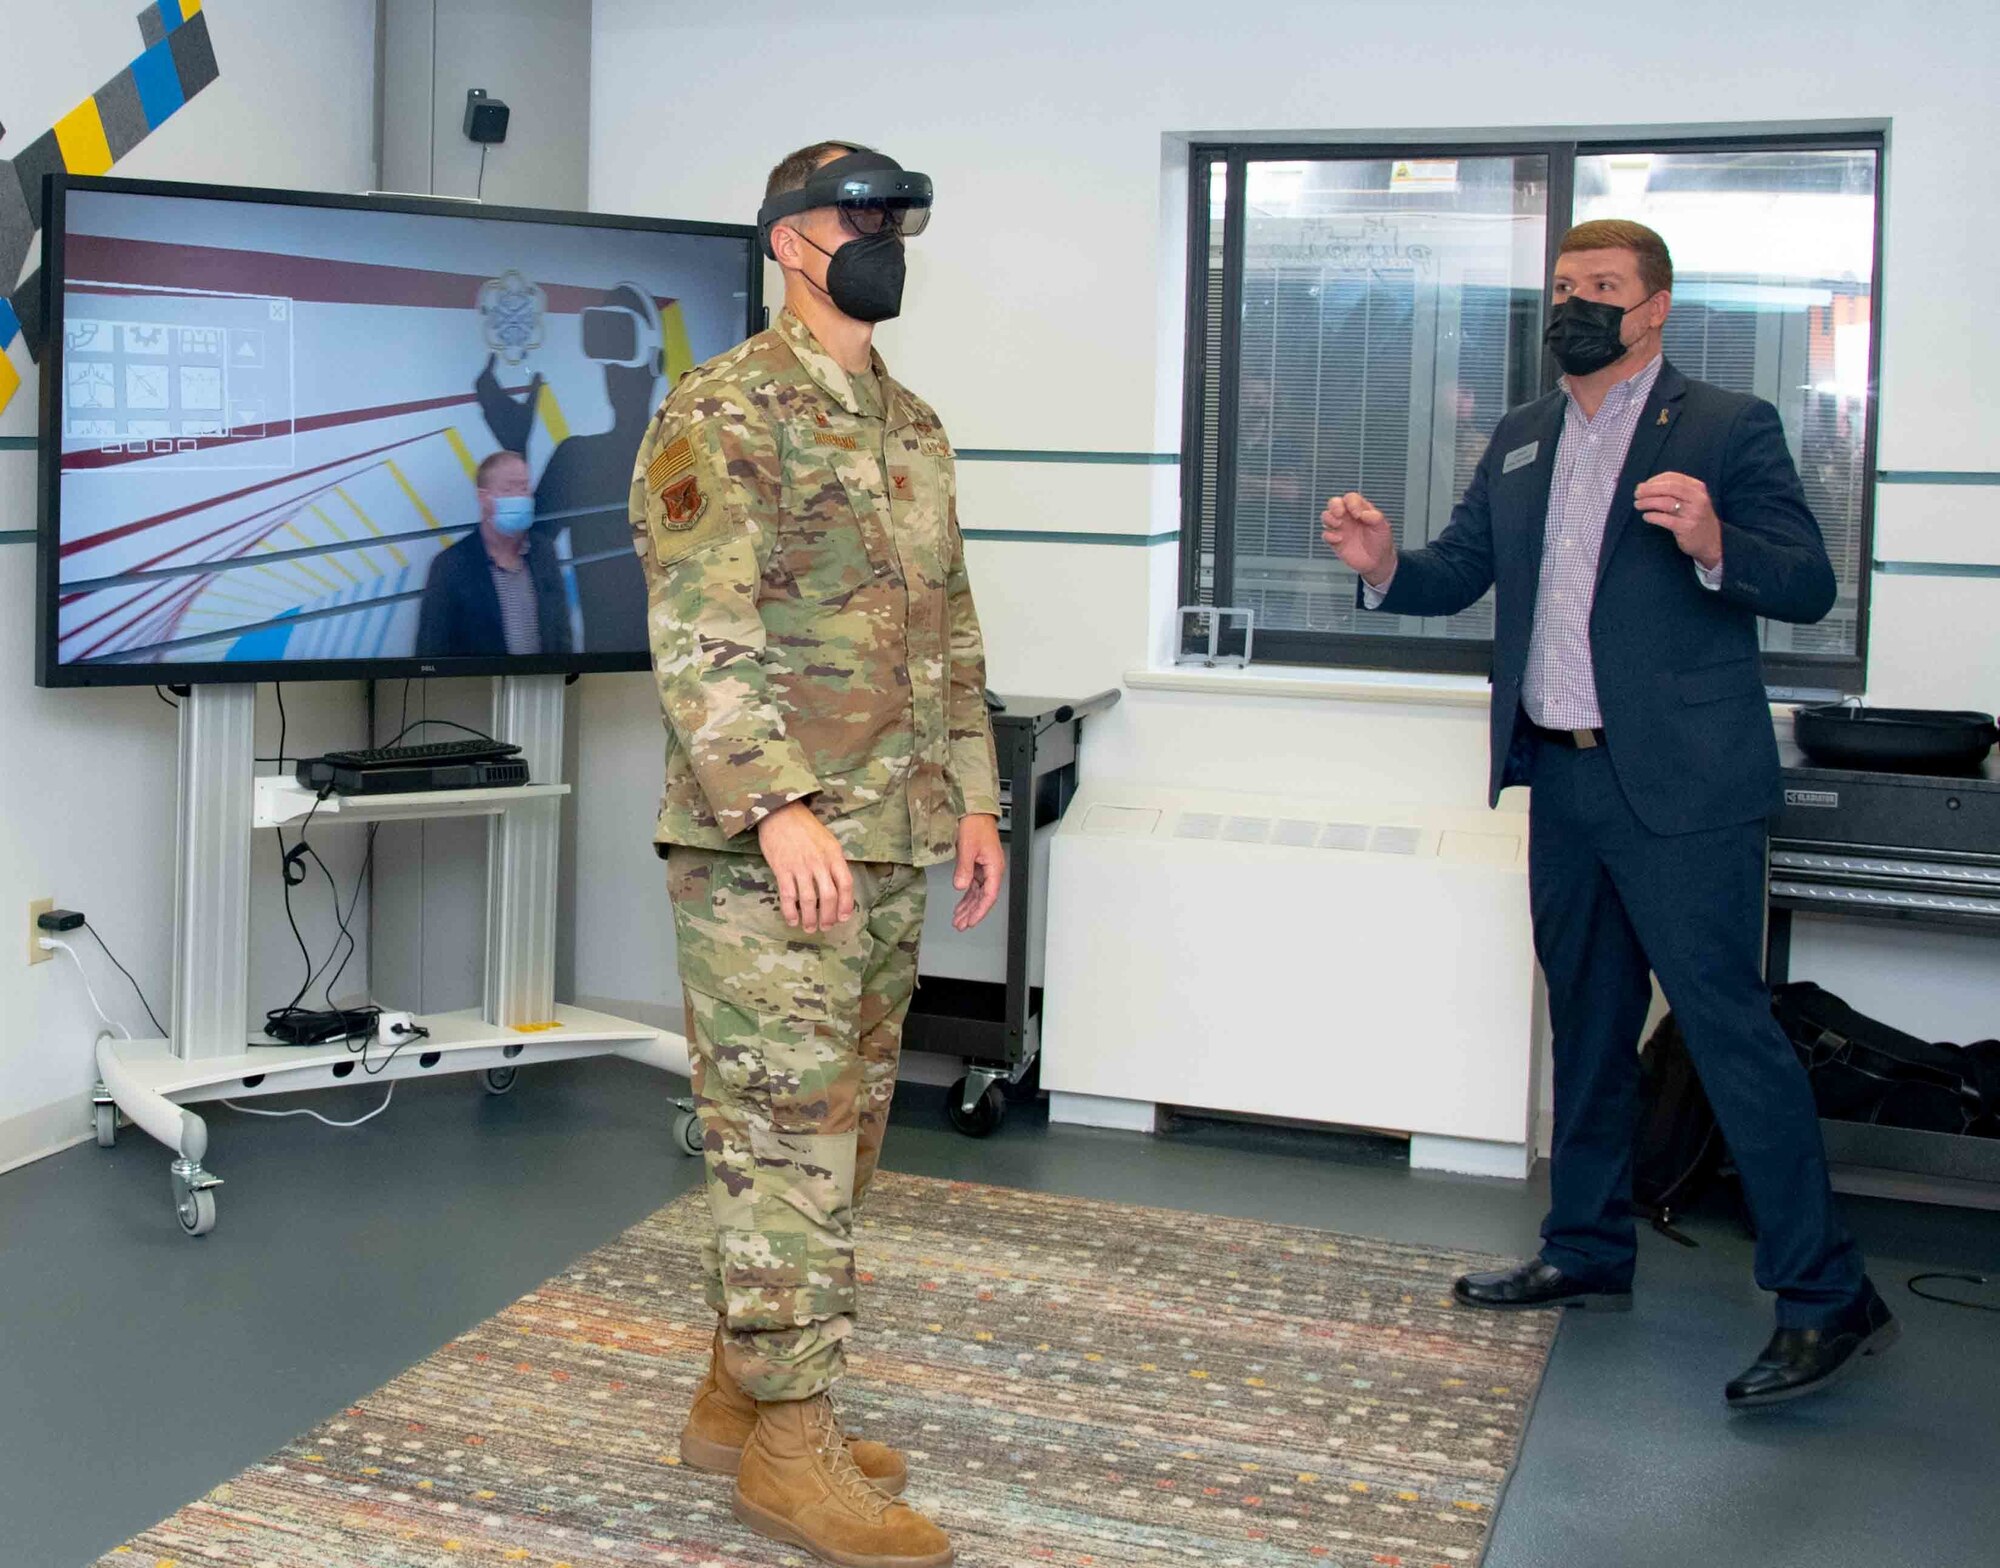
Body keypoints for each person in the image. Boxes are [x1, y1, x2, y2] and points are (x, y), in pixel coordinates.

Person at [1322, 219, 1895, 1410]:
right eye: (1561, 287)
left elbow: (1806, 581)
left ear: (1654, 310)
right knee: (1583, 1025)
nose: (1572, 304)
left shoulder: (1728, 426)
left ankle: (1823, 1292)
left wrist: (1710, 538)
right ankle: (1584, 1245)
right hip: (1565, 776)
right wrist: (1383, 563)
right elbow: (1456, 571)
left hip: (1685, 787)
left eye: (1599, 288)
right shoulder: (1524, 436)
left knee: (1727, 1033)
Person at [629, 141, 1002, 1566]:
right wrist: (775, 805)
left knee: (844, 1136)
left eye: (899, 216)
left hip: (894, 836)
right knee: (785, 1148)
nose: (886, 236)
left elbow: (950, 627)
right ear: (793, 242)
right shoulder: (722, 413)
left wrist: (973, 796)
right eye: (862, 216)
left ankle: (739, 1394)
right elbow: (701, 634)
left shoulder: (910, 424)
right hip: (767, 851)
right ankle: (788, 1450)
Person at [413, 449, 573, 659]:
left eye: (524, 488)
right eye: (508, 489)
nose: (520, 497)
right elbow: (430, 651)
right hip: (475, 690)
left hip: (541, 687)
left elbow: (561, 634)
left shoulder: (544, 553)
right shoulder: (450, 566)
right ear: (484, 497)